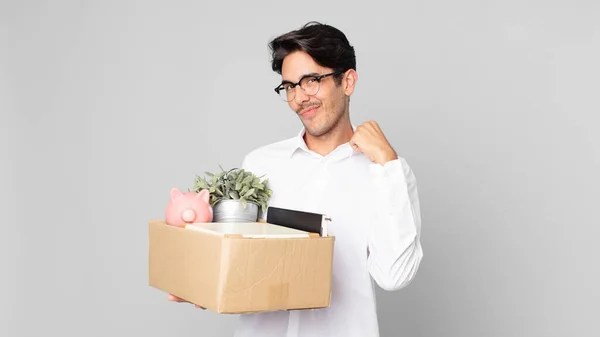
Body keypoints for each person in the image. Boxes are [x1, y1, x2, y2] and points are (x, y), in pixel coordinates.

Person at [171, 21, 423, 337]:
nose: (299, 98)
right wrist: (202, 282)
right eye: (290, 86)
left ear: (347, 81)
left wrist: (388, 163)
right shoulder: (261, 164)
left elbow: (394, 275)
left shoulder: (387, 174)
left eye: (311, 81)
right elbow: (239, 259)